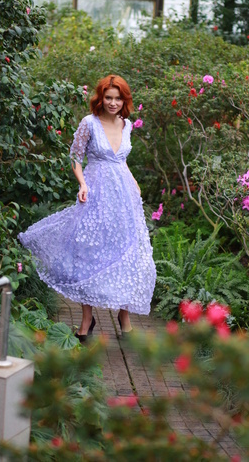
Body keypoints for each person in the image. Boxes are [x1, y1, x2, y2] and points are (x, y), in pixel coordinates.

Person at [18, 75, 156, 342]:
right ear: (100, 98)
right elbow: (75, 157)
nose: (113, 103)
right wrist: (81, 184)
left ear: (124, 100)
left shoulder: (126, 125)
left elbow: (121, 162)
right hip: (94, 193)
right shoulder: (89, 123)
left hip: (125, 199)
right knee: (88, 253)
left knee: (128, 252)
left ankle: (124, 318)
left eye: (118, 98)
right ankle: (86, 320)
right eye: (108, 97)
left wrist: (135, 185)